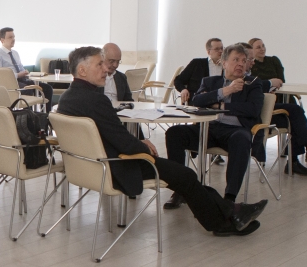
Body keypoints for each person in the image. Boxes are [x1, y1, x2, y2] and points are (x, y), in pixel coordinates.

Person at [57, 46, 265, 237]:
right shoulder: (96, 100)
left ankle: (231, 213)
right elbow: (123, 142)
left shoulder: (67, 99)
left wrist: (139, 142)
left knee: (183, 176)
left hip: (90, 166)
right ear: (82, 70)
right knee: (186, 175)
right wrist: (144, 146)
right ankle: (223, 221)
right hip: (118, 165)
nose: (106, 69)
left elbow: (113, 134)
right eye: (100, 64)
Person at [165, 43, 265, 204]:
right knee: (174, 133)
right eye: (236, 60)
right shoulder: (210, 81)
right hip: (208, 129)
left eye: (243, 60)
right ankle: (180, 190)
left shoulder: (253, 84)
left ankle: (229, 198)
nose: (240, 64)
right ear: (224, 63)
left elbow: (253, 109)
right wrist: (226, 91)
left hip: (234, 130)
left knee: (242, 139)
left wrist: (220, 105)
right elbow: (197, 101)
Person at [247, 38, 307, 175]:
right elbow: (256, 86)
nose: (262, 49)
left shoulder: (273, 61)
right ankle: (303, 154)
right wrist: (269, 83)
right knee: (296, 117)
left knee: (295, 116)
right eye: (258, 47)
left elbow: (280, 81)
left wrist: (270, 85)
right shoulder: (246, 70)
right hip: (264, 106)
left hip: (278, 99)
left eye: (263, 46)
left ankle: (300, 157)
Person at [0, 27, 53, 106]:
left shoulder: (15, 53)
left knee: (47, 88)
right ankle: (28, 113)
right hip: (10, 84)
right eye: (10, 37)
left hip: (23, 80)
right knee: (28, 90)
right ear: (2, 40)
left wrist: (25, 72)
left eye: (14, 37)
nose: (13, 39)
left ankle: (45, 113)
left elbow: (20, 67)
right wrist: (18, 75)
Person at [173, 37, 224, 103]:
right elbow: (178, 80)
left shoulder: (226, 66)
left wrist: (225, 64)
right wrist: (183, 89)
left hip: (217, 103)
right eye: (217, 49)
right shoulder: (196, 63)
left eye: (222, 48)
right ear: (208, 52)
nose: (221, 51)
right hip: (196, 101)